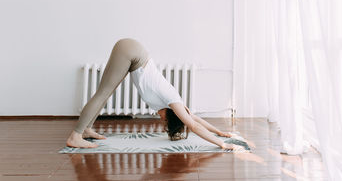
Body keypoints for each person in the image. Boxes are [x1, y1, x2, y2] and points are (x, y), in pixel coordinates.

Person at [66, 38, 244, 151]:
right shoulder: (173, 101)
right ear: (172, 115)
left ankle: (87, 129)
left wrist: (221, 132)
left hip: (133, 53)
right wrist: (221, 144)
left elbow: (196, 119)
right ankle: (76, 136)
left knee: (105, 93)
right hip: (132, 52)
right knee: (103, 93)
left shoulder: (176, 105)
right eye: (165, 120)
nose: (160, 119)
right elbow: (194, 126)